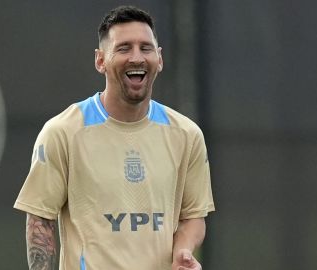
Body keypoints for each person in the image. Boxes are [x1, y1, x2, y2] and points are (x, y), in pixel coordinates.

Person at [14, 5, 215, 270]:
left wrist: (183, 251)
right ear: (100, 61)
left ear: (160, 58)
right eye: (123, 48)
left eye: (145, 48)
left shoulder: (187, 135)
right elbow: (40, 221)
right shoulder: (63, 132)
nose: (136, 58)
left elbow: (193, 217)